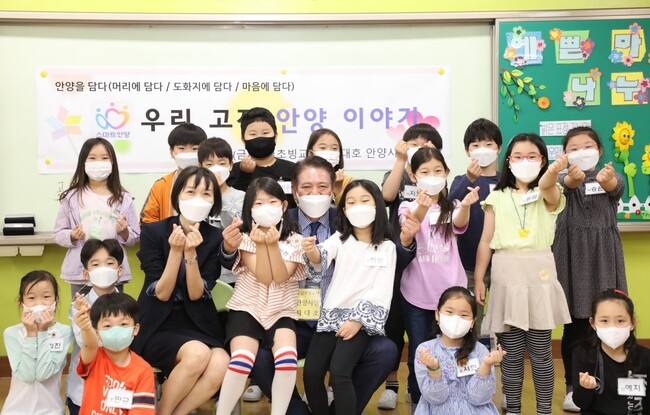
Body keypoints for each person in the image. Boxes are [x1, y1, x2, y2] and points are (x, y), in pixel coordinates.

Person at [250, 156, 417, 414]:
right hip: (296, 323)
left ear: (333, 191)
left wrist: (405, 241)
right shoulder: (278, 220)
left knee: (375, 356)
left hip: (351, 321)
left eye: (322, 187)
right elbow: (317, 256)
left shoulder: (352, 226)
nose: (315, 193)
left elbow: (387, 274)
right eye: (307, 187)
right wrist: (310, 251)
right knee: (274, 361)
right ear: (294, 191)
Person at [132, 166, 243, 415]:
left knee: (222, 362)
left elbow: (196, 293)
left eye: (206, 194)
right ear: (178, 196)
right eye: (190, 191)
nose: (197, 199)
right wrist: (175, 252)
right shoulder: (153, 232)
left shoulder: (215, 237)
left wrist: (190, 254)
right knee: (197, 354)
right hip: (158, 324)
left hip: (199, 323)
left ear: (214, 202)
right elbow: (161, 293)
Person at [474, 133, 572, 415]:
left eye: (532, 156)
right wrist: (479, 278)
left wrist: (553, 171)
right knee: (511, 355)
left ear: (542, 160)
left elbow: (548, 186)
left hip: (538, 276)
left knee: (541, 355)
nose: (525, 161)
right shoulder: (496, 197)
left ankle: (544, 411)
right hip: (505, 275)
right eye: (518, 156)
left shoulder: (549, 191)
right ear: (508, 161)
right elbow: (485, 241)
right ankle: (514, 409)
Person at [302, 179, 397, 415]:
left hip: (359, 320)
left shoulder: (387, 247)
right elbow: (320, 257)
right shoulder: (340, 238)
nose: (358, 206)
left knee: (339, 373)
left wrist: (357, 321)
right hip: (331, 315)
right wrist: (311, 251)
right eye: (352, 202)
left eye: (365, 200)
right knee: (311, 373)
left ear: (376, 205)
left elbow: (382, 288)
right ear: (344, 210)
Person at [552, 126, 627, 412]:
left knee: (606, 322)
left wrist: (606, 180)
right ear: (565, 154)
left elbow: (615, 187)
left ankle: (606, 386)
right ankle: (573, 387)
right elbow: (567, 184)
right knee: (574, 327)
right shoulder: (562, 178)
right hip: (571, 255)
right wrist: (572, 177)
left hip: (603, 256)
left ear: (599, 151)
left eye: (587, 146)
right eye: (574, 148)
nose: (581, 152)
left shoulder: (610, 176)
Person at [216, 177, 306, 415]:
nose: (266, 207)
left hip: (282, 311)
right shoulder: (245, 239)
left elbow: (280, 276)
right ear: (249, 209)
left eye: (272, 201)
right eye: (258, 203)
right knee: (241, 361)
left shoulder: (296, 240)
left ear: (284, 205)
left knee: (287, 360)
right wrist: (263, 244)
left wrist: (272, 245)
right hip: (247, 309)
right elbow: (264, 277)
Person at [398, 147, 479, 409]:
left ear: (446, 174)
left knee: (458, 350)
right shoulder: (407, 206)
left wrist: (465, 205)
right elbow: (409, 228)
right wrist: (422, 206)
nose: (432, 176)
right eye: (425, 172)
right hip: (417, 295)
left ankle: (458, 403)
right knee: (420, 353)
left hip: (452, 294)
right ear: (413, 176)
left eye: (437, 171)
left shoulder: (452, 206)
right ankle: (419, 404)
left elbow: (459, 223)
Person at [379, 123, 443, 409]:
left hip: (430, 265)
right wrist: (401, 160)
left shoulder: (439, 180)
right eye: (414, 143)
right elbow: (387, 196)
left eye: (427, 144)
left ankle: (417, 387)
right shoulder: (399, 173)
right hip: (398, 259)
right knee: (393, 327)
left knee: (423, 334)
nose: (420, 148)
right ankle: (391, 384)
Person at [53, 137, 139, 298]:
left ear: (112, 163)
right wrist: (72, 235)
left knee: (113, 312)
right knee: (81, 312)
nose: (99, 162)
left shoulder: (124, 198)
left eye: (104, 158)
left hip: (113, 271)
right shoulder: (71, 198)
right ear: (83, 163)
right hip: (82, 273)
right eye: (92, 158)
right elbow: (58, 233)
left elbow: (134, 237)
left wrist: (125, 232)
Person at [449, 118, 502, 337]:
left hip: (502, 263)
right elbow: (448, 205)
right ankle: (471, 352)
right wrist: (470, 178)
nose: (483, 149)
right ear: (467, 150)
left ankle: (501, 353)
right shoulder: (461, 180)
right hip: (468, 265)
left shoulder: (507, 181)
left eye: (489, 144)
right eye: (476, 145)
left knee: (503, 320)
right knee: (471, 318)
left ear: (499, 148)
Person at [414, 286, 505, 414]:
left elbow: (479, 398)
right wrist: (434, 369)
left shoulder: (480, 351)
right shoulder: (425, 350)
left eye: (463, 315)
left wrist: (486, 365)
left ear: (472, 322)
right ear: (437, 314)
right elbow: (435, 399)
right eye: (449, 312)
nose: (456, 319)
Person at [66, 238, 125, 415]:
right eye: (96, 264)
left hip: (118, 390)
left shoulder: (128, 307)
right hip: (83, 391)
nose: (103, 269)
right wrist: (88, 315)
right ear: (86, 273)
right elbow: (88, 344)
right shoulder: (78, 306)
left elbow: (122, 344)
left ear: (119, 270)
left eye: (110, 263)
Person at [1, 271, 72, 415]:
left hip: (52, 410)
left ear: (56, 299)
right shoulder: (12, 333)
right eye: (31, 298)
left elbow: (43, 374)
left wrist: (42, 331)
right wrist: (31, 334)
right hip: (16, 411)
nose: (39, 303)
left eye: (46, 297)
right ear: (21, 302)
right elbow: (26, 376)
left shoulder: (63, 331)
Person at [74, 292, 155, 415]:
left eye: (123, 324)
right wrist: (86, 328)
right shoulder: (94, 358)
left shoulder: (144, 371)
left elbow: (141, 411)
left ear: (135, 329)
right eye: (107, 325)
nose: (116, 330)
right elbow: (90, 345)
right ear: (97, 333)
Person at [572, 289, 649, 414]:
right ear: (593, 323)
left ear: (632, 323)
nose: (612, 327)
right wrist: (586, 388)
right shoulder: (584, 355)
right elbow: (580, 403)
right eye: (604, 321)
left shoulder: (645, 357)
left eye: (620, 321)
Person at [199, 137, 246, 286]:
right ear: (201, 167)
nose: (216, 168)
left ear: (231, 165)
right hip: (202, 270)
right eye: (209, 164)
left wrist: (217, 194)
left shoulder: (241, 196)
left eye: (222, 163)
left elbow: (236, 227)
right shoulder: (195, 197)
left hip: (232, 273)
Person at [228, 107, 297, 208]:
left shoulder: (292, 169)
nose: (259, 138)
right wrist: (244, 175)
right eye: (253, 134)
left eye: (265, 133)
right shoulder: (233, 170)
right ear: (243, 140)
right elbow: (231, 205)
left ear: (275, 136)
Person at [140, 122, 207, 224]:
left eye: (195, 149)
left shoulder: (213, 182)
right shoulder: (161, 185)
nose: (188, 153)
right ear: (172, 152)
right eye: (181, 148)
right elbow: (147, 221)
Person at [305, 128, 352, 204]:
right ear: (310, 153)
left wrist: (338, 190)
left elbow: (349, 209)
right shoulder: (302, 180)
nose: (329, 152)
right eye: (323, 148)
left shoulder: (348, 182)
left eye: (334, 148)